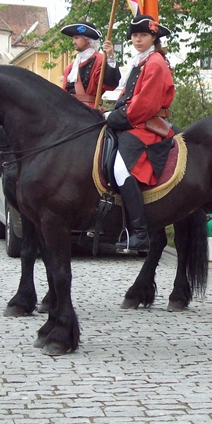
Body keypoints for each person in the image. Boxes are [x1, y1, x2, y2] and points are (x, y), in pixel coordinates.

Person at [106, 14, 175, 252]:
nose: (137, 39)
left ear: (153, 37)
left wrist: (117, 118)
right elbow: (127, 96)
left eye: (143, 35)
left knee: (120, 167)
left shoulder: (155, 63)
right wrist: (111, 112)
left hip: (144, 126)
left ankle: (139, 232)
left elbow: (146, 104)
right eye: (134, 35)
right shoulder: (140, 62)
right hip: (132, 121)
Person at [60, 21, 121, 108]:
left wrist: (110, 57)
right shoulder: (70, 67)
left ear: (88, 40)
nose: (73, 42)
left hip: (91, 111)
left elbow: (110, 84)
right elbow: (64, 93)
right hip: (70, 110)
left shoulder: (101, 60)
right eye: (73, 38)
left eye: (77, 38)